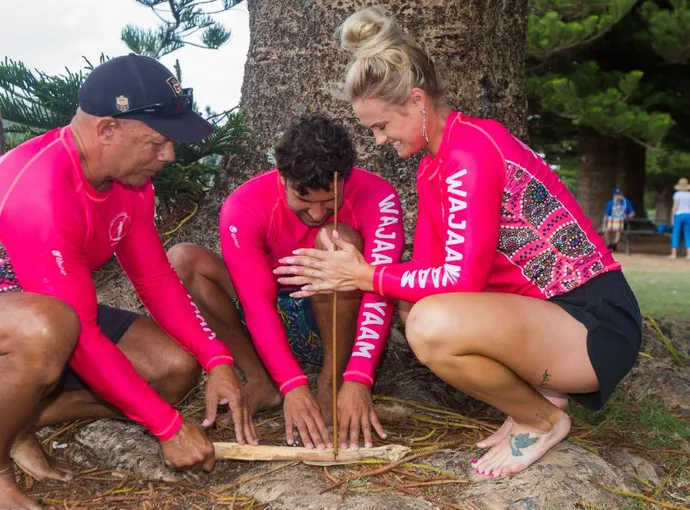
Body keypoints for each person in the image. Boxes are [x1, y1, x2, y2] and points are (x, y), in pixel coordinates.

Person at [274, 7, 642, 478]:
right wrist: (367, 276)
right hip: (549, 321)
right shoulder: (434, 166)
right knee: (413, 308)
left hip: (593, 325)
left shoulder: (470, 151)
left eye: (382, 126)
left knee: (429, 323)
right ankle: (535, 401)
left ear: (417, 101)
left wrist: (364, 274)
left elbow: (460, 278)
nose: (379, 140)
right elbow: (429, 271)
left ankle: (542, 419)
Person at [0, 54, 256, 510]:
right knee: (47, 327)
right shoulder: (41, 192)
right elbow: (76, 332)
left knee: (173, 367)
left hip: (41, 315)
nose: (169, 155)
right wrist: (167, 427)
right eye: (158, 141)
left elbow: (156, 279)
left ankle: (20, 417)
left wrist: (216, 358)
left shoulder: (131, 182)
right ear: (107, 130)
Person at [167, 116, 405, 452]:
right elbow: (256, 304)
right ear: (282, 177)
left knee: (334, 240)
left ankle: (330, 381)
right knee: (183, 260)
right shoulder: (245, 204)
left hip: (340, 319)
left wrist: (358, 376)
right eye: (304, 200)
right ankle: (262, 381)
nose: (317, 212)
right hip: (269, 318)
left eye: (329, 201)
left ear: (346, 178)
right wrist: (292, 384)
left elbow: (381, 293)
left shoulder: (379, 197)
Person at [669, 177, 690, 259]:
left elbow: (675, 207)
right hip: (688, 214)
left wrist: (672, 217)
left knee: (676, 233)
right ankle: (689, 254)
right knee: (688, 234)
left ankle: (674, 253)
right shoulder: (689, 195)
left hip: (679, 215)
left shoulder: (677, 194)